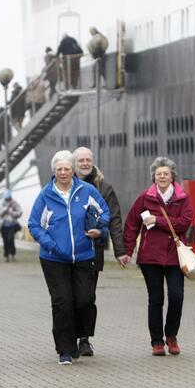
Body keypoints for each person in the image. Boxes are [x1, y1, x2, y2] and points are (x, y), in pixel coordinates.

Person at [28, 150, 110, 365]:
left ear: (73, 170)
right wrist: (51, 245)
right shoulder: (46, 195)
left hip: (83, 255)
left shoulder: (86, 190)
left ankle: (80, 338)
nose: (63, 172)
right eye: (59, 169)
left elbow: (105, 213)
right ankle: (65, 349)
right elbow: (34, 224)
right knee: (62, 301)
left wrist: (99, 230)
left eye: (66, 168)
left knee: (84, 300)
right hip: (54, 258)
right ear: (54, 171)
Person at [123, 157, 193, 357]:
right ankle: (157, 342)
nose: (162, 176)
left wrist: (158, 220)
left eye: (166, 173)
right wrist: (127, 251)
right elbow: (131, 225)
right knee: (156, 299)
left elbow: (184, 222)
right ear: (153, 176)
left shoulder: (182, 197)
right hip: (150, 257)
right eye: (158, 174)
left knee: (177, 296)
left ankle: (171, 336)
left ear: (172, 176)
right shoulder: (145, 198)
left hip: (174, 256)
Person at [73, 146, 129, 357]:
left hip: (92, 251)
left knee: (87, 297)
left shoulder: (103, 187)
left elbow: (114, 218)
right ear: (74, 163)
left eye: (88, 159)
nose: (85, 163)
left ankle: (84, 339)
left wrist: (120, 251)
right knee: (69, 297)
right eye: (81, 160)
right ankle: (69, 338)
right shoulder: (65, 185)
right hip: (67, 252)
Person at [0, 190, 23, 262]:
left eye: (8, 198)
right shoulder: (1, 203)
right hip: (3, 225)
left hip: (12, 224)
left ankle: (12, 254)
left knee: (10, 239)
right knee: (5, 241)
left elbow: (20, 212)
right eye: (6, 198)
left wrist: (12, 212)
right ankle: (6, 255)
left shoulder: (15, 203)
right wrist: (6, 209)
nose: (7, 199)